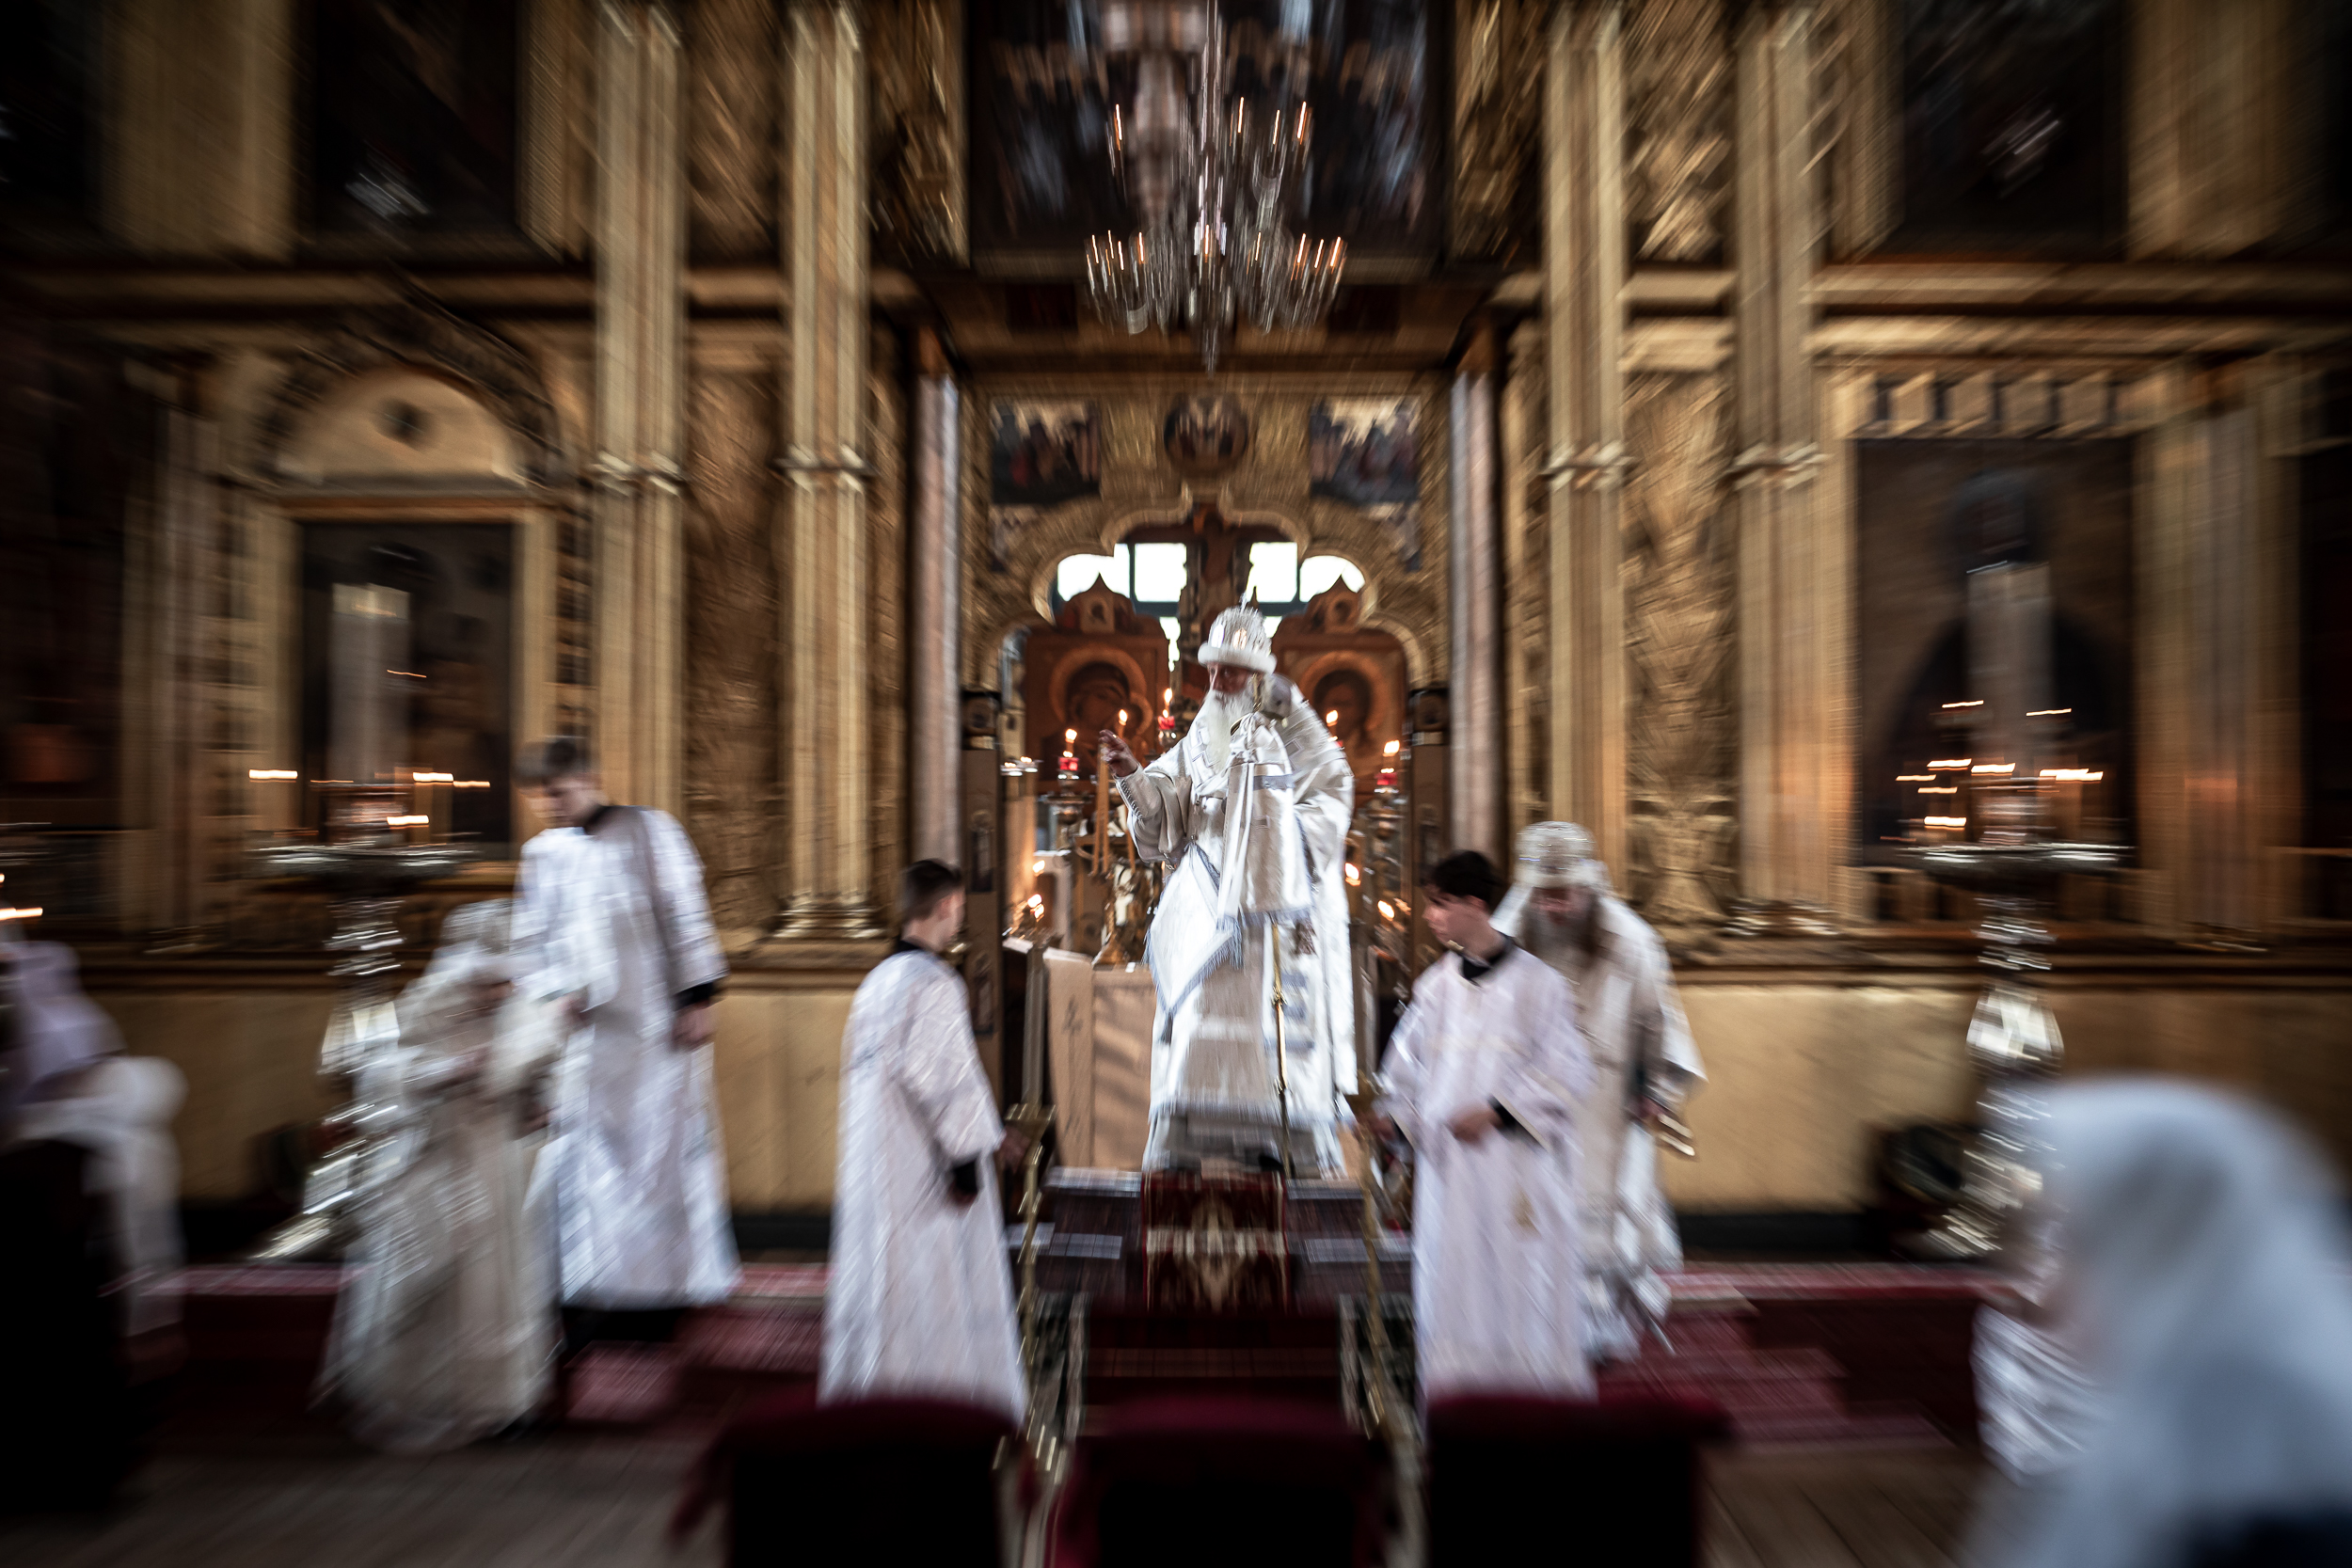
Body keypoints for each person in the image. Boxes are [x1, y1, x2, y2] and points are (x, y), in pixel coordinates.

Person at [1981, 1079, 2352, 1568]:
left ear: (2168, 1254)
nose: (2045, 1292)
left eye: (2081, 1247)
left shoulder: (2272, 1495)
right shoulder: (2172, 1433)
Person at [1100, 604, 1356, 1174]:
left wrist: (1271, 830)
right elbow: (1170, 800)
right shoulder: (1205, 726)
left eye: (1230, 672)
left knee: (1268, 1031)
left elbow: (1334, 792)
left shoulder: (1291, 719)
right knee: (1197, 1024)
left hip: (1270, 916)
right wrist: (1131, 774)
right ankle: (1187, 1141)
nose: (1217, 681)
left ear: (1258, 673)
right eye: (1213, 670)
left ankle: (1279, 1146)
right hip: (1207, 911)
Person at [511, 736, 737, 1348]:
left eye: (558, 792)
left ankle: (660, 1296)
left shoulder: (648, 831)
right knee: (586, 1165)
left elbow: (683, 912)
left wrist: (697, 997)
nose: (550, 806)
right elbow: (531, 942)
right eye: (539, 798)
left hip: (654, 1033)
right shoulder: (542, 854)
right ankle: (590, 1289)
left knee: (656, 1165)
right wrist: (551, 994)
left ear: (588, 778)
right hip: (585, 1041)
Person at [320, 899, 563, 1451]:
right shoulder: (426, 1002)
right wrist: (445, 1070)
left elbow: (536, 1075)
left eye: (508, 981)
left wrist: (538, 1100)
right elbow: (379, 1075)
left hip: (494, 1160)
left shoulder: (522, 1008)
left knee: (494, 1281)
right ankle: (416, 1397)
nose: (502, 992)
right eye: (492, 981)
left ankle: (496, 1403)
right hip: (434, 1158)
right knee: (428, 1277)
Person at [1377, 850, 1594, 1401]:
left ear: (1475, 904)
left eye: (1440, 903)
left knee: (1519, 1279)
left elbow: (1568, 1071)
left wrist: (1497, 1111)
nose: (1431, 916)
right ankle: (1458, 1410)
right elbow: (1406, 1072)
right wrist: (1393, 1120)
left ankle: (1530, 1407)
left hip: (1514, 1171)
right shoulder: (1435, 987)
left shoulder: (1539, 985)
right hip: (1450, 1177)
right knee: (1454, 1281)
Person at [820, 861, 1027, 1421]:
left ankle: (873, 1396)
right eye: (957, 909)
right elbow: (942, 1080)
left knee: (883, 1276)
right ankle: (937, 1409)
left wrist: (988, 1133)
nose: (957, 920)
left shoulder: (876, 984)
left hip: (877, 1162)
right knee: (930, 1280)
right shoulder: (933, 984)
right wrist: (967, 1162)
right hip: (920, 1167)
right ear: (945, 907)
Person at [1492, 821, 1704, 1362]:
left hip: (1604, 1105)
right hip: (1528, 1101)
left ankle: (1596, 1335)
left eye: (1563, 895)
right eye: (1543, 895)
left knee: (1599, 1213)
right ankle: (1529, 1329)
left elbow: (1661, 1022)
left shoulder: (1631, 942)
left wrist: (1657, 1090)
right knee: (1530, 1214)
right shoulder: (1507, 936)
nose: (1553, 908)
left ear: (1588, 887)